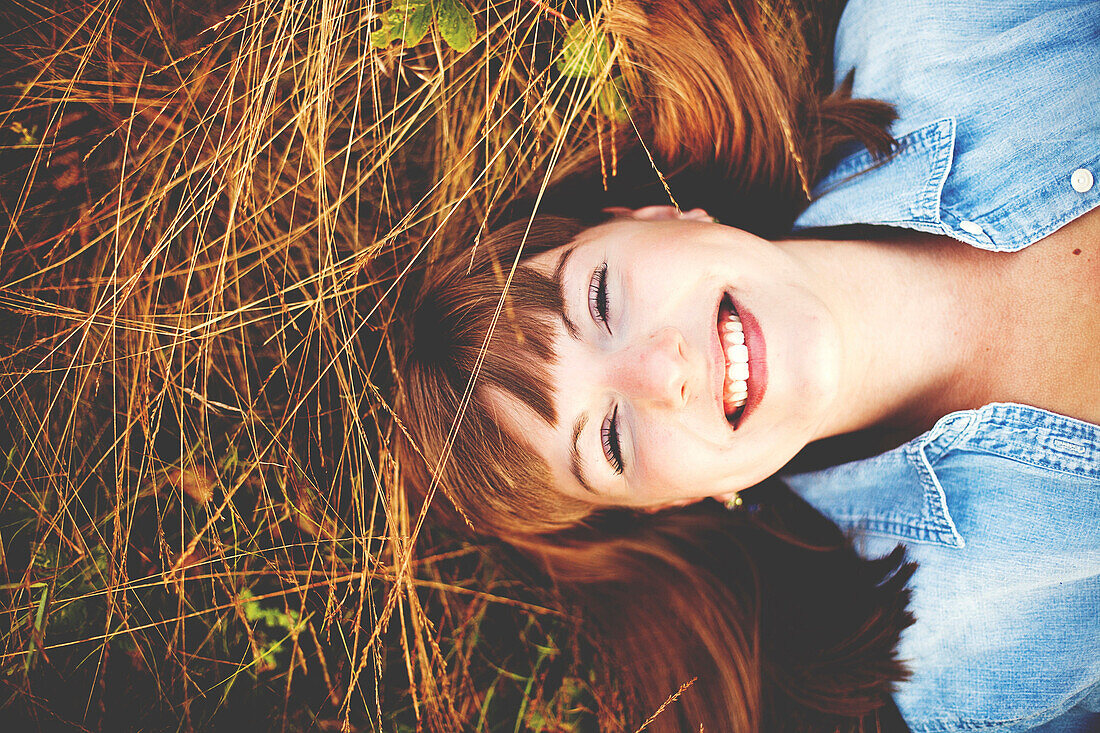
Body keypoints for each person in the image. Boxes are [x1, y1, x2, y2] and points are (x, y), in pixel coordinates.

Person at [397, 0, 1100, 730]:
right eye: (608, 439)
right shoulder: (966, 677)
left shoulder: (931, 26)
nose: (661, 372)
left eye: (602, 299)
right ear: (670, 502)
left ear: (654, 216)